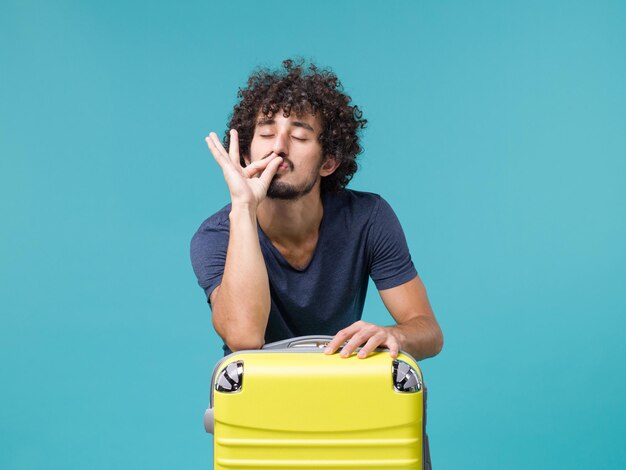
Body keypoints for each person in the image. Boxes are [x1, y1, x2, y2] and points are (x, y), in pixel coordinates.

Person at [190, 59, 443, 362]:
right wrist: (243, 207)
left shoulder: (368, 217)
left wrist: (395, 335)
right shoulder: (216, 235)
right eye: (267, 134)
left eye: (299, 137)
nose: (279, 148)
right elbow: (244, 338)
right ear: (246, 154)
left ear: (329, 163)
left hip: (339, 391)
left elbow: (429, 332)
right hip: (254, 398)